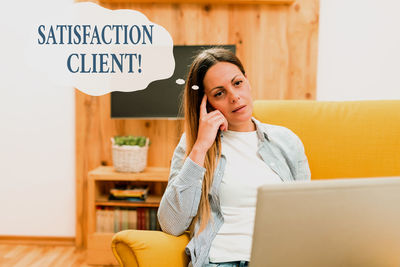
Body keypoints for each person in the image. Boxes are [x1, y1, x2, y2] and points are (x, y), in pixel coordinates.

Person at [157, 47, 311, 267]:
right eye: (219, 93)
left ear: (247, 81)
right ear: (207, 103)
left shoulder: (286, 141)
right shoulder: (193, 147)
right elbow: (172, 224)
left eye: (237, 83)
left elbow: (306, 214)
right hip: (219, 261)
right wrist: (201, 147)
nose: (234, 96)